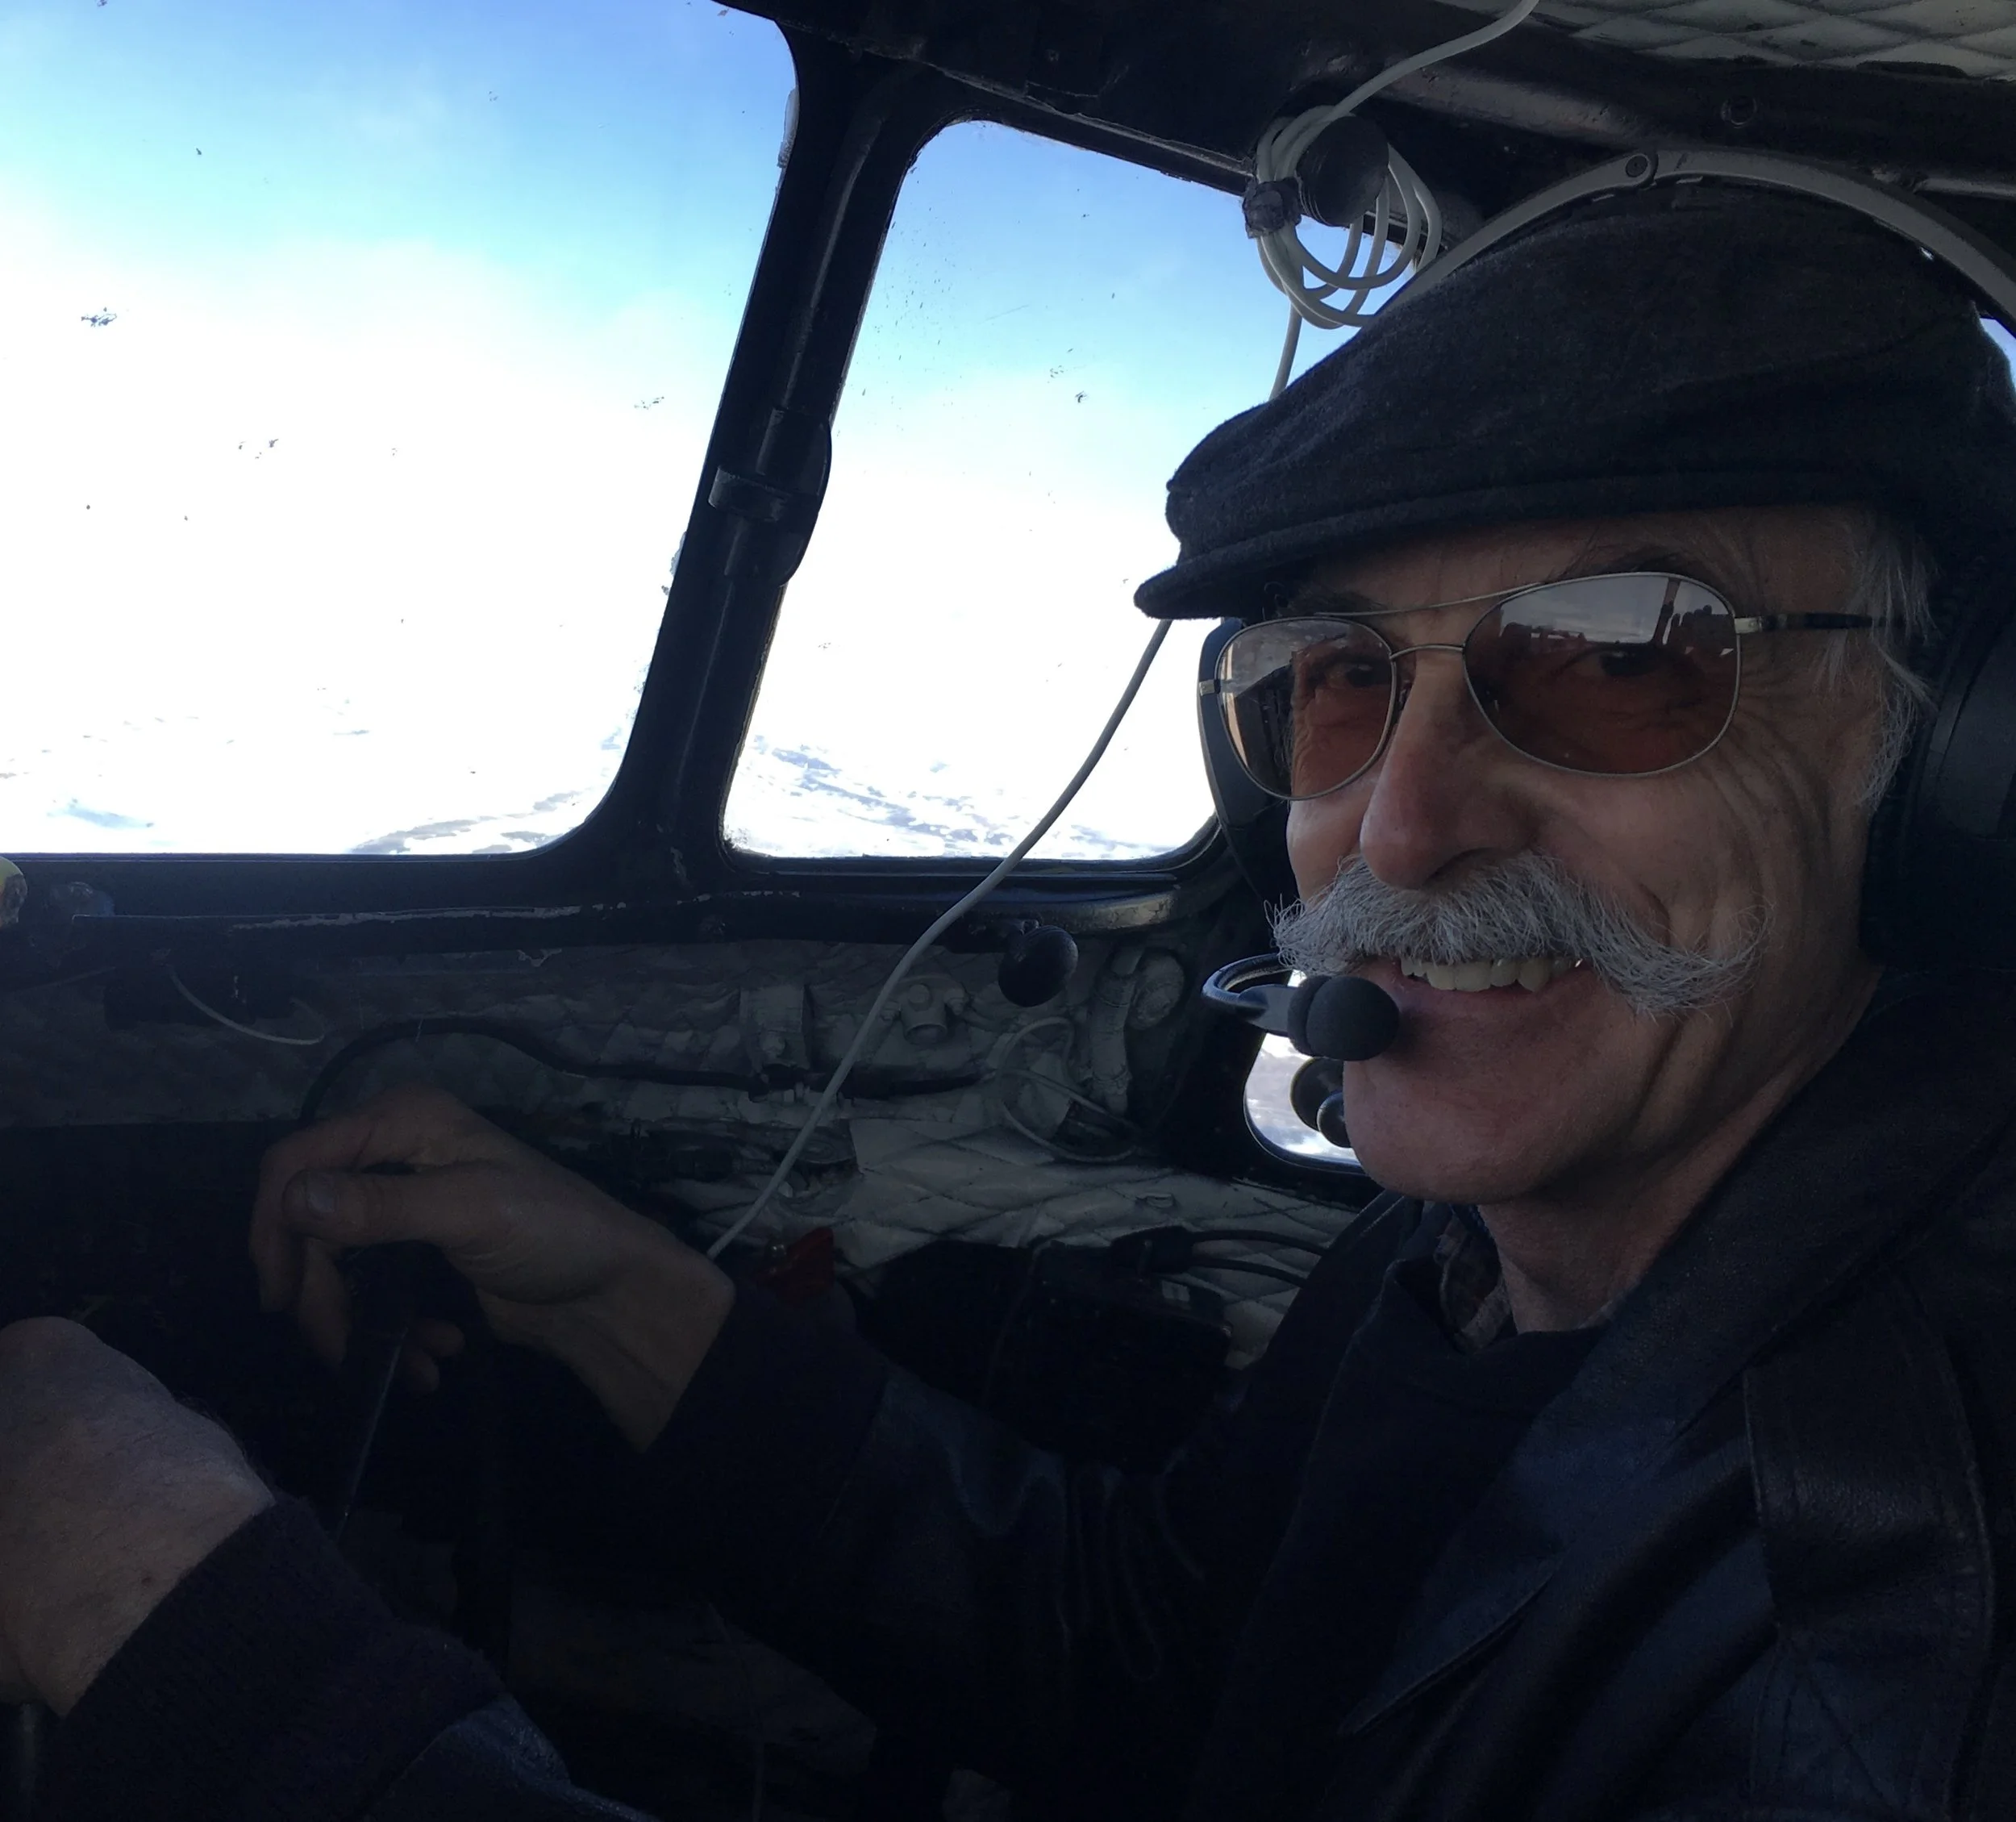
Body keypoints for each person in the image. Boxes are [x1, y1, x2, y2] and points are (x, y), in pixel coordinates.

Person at [10, 184, 2016, 1822]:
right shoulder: (1493, 1253)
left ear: (1944, 776)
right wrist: (623, 1294)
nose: (1394, 829)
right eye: (1331, 679)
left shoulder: (1904, 1607)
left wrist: (191, 1627)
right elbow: (1151, 1657)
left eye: (1609, 656)